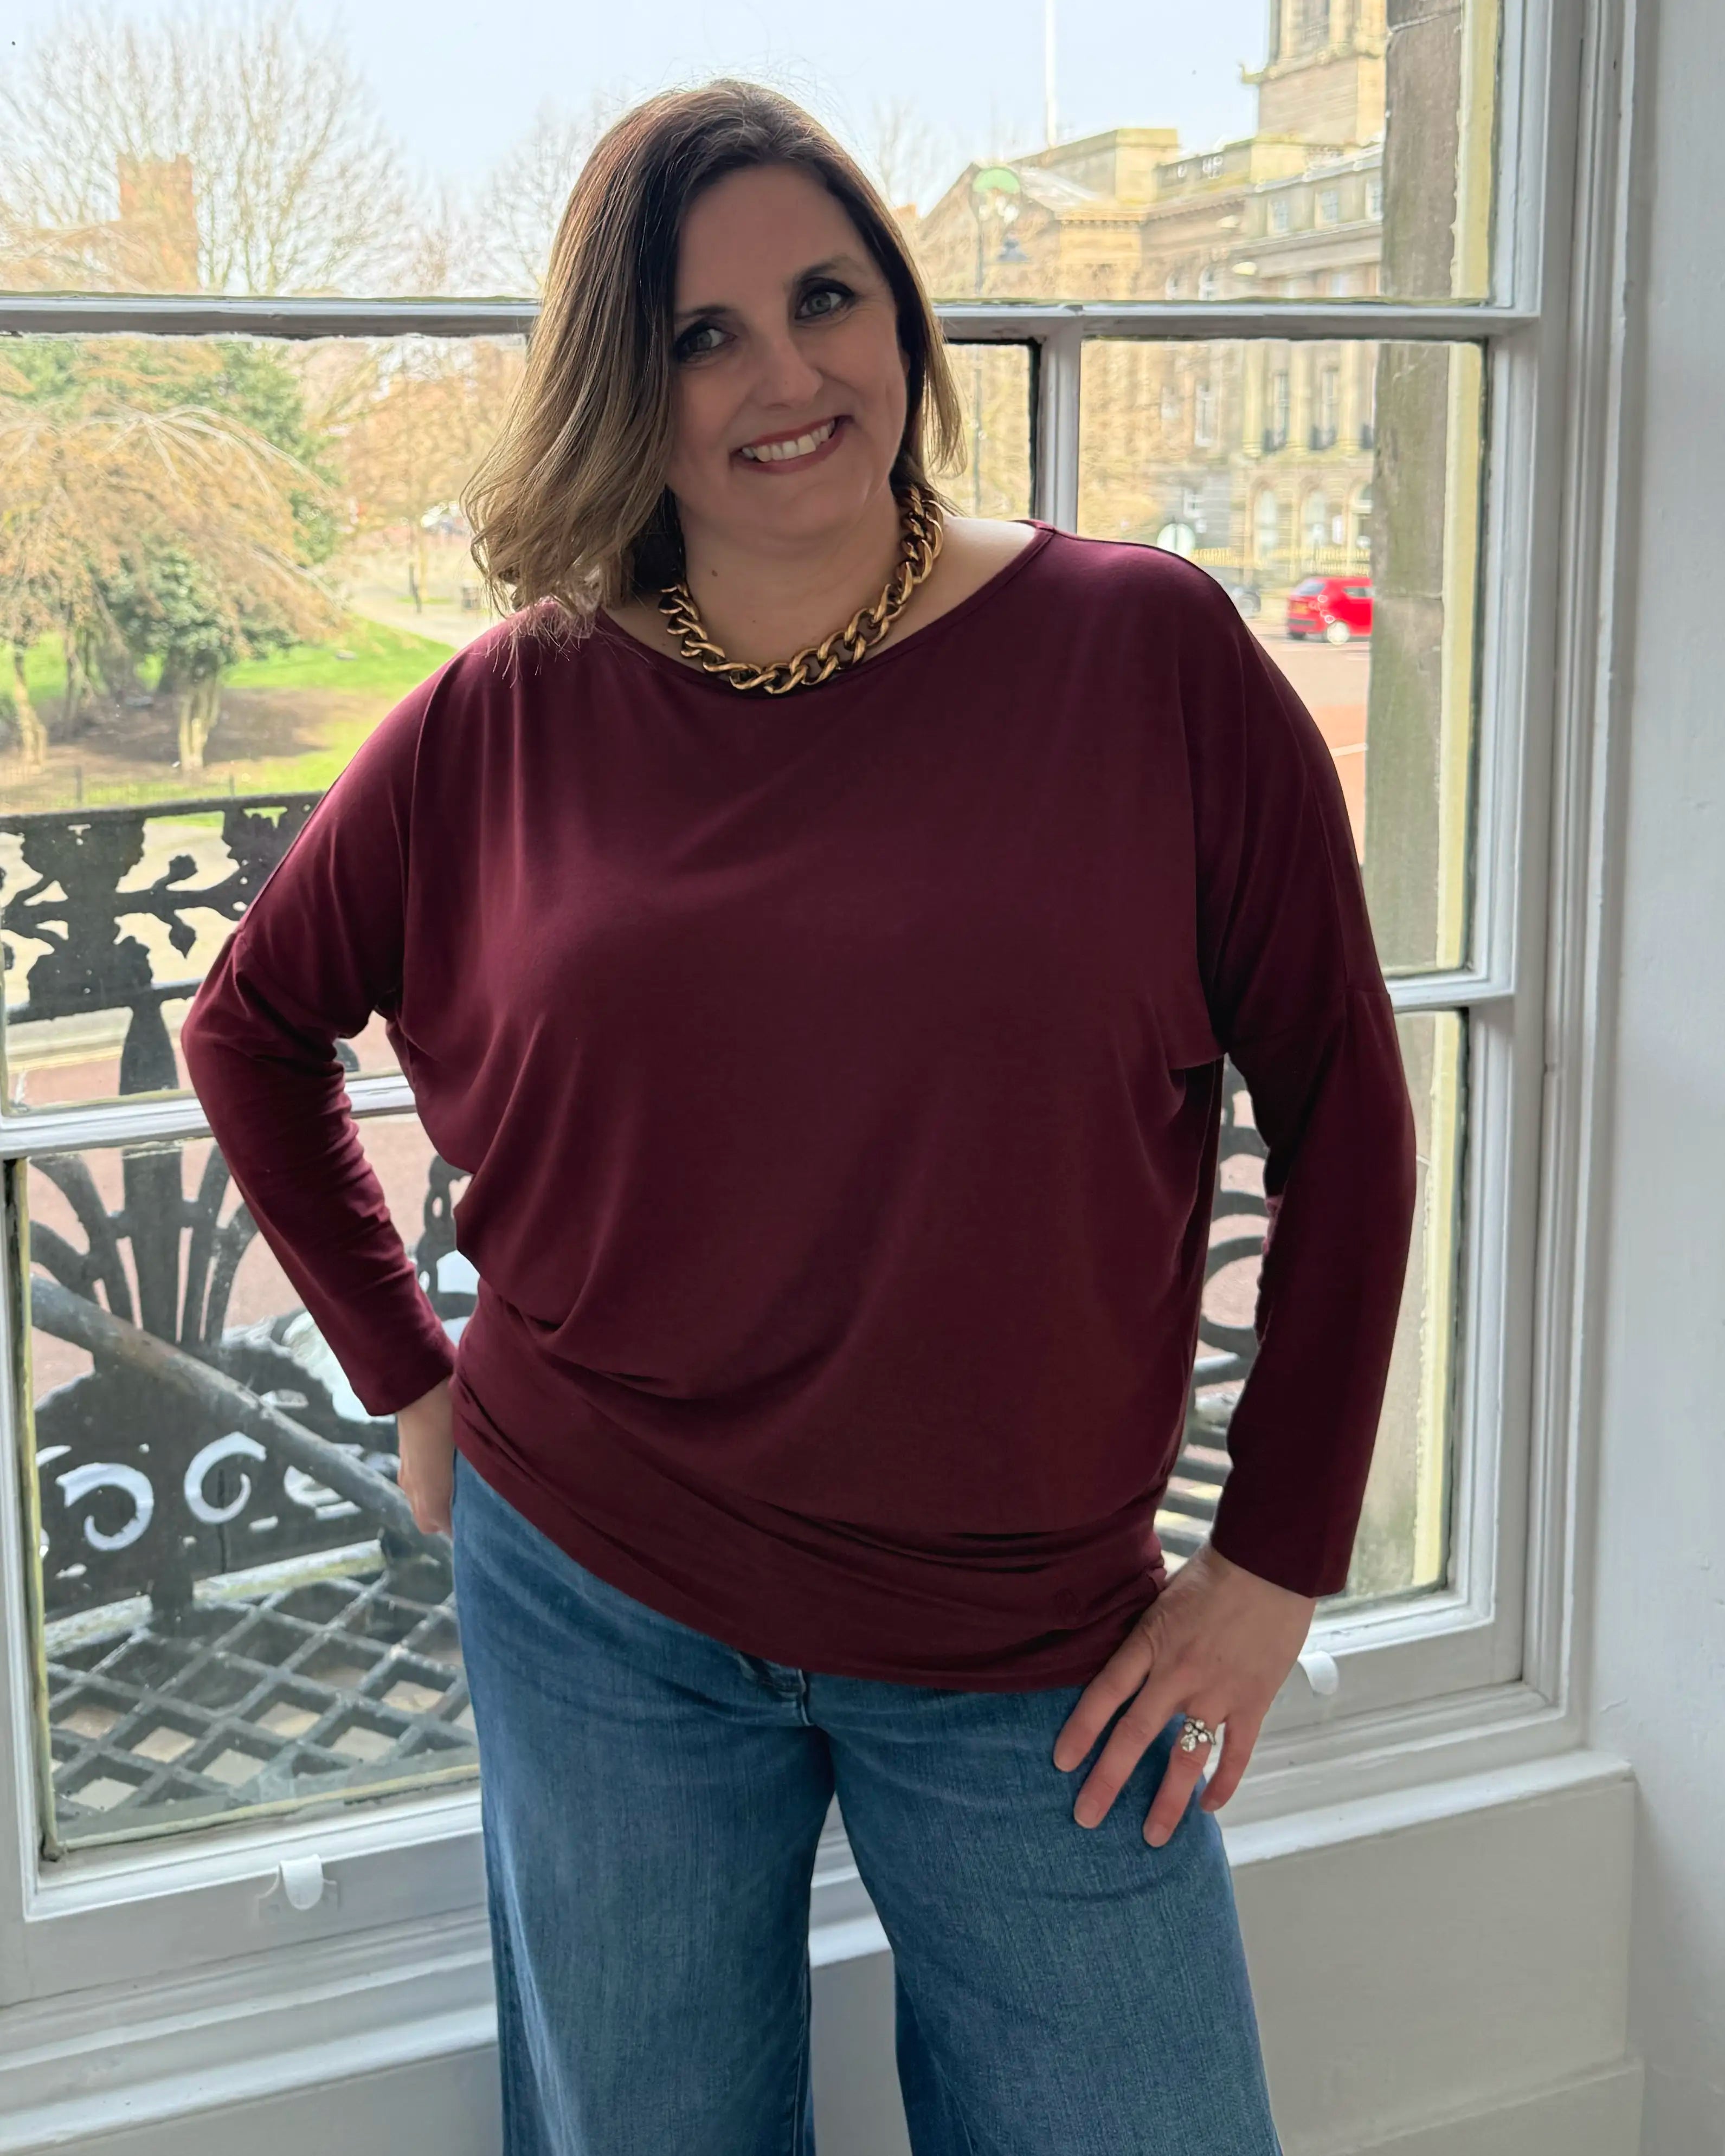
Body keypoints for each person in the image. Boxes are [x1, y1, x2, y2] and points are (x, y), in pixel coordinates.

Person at [181, 78, 1417, 2156]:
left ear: (907, 323)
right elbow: (252, 1024)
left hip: (1036, 1639)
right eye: (701, 333)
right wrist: (411, 1373)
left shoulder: (1150, 655)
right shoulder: (511, 712)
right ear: (623, 392)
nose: (788, 374)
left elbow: (1349, 1118)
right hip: (602, 1597)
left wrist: (1276, 1562)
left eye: (826, 296)